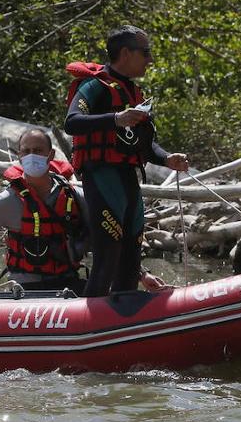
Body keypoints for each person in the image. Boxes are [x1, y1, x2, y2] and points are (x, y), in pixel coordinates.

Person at [63, 25, 189, 297]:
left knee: (131, 258)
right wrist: (116, 119)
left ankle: (126, 317)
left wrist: (168, 159)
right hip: (102, 179)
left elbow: (145, 144)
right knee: (107, 258)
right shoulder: (94, 86)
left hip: (129, 182)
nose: (150, 60)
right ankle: (91, 322)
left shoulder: (136, 94)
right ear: (125, 53)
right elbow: (71, 122)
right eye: (145, 53)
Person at [0, 128, 87, 295]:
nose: (32, 155)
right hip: (24, 287)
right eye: (26, 151)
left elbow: (105, 235)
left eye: (38, 150)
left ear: (50, 155)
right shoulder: (7, 200)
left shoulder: (75, 196)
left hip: (67, 281)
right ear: (19, 156)